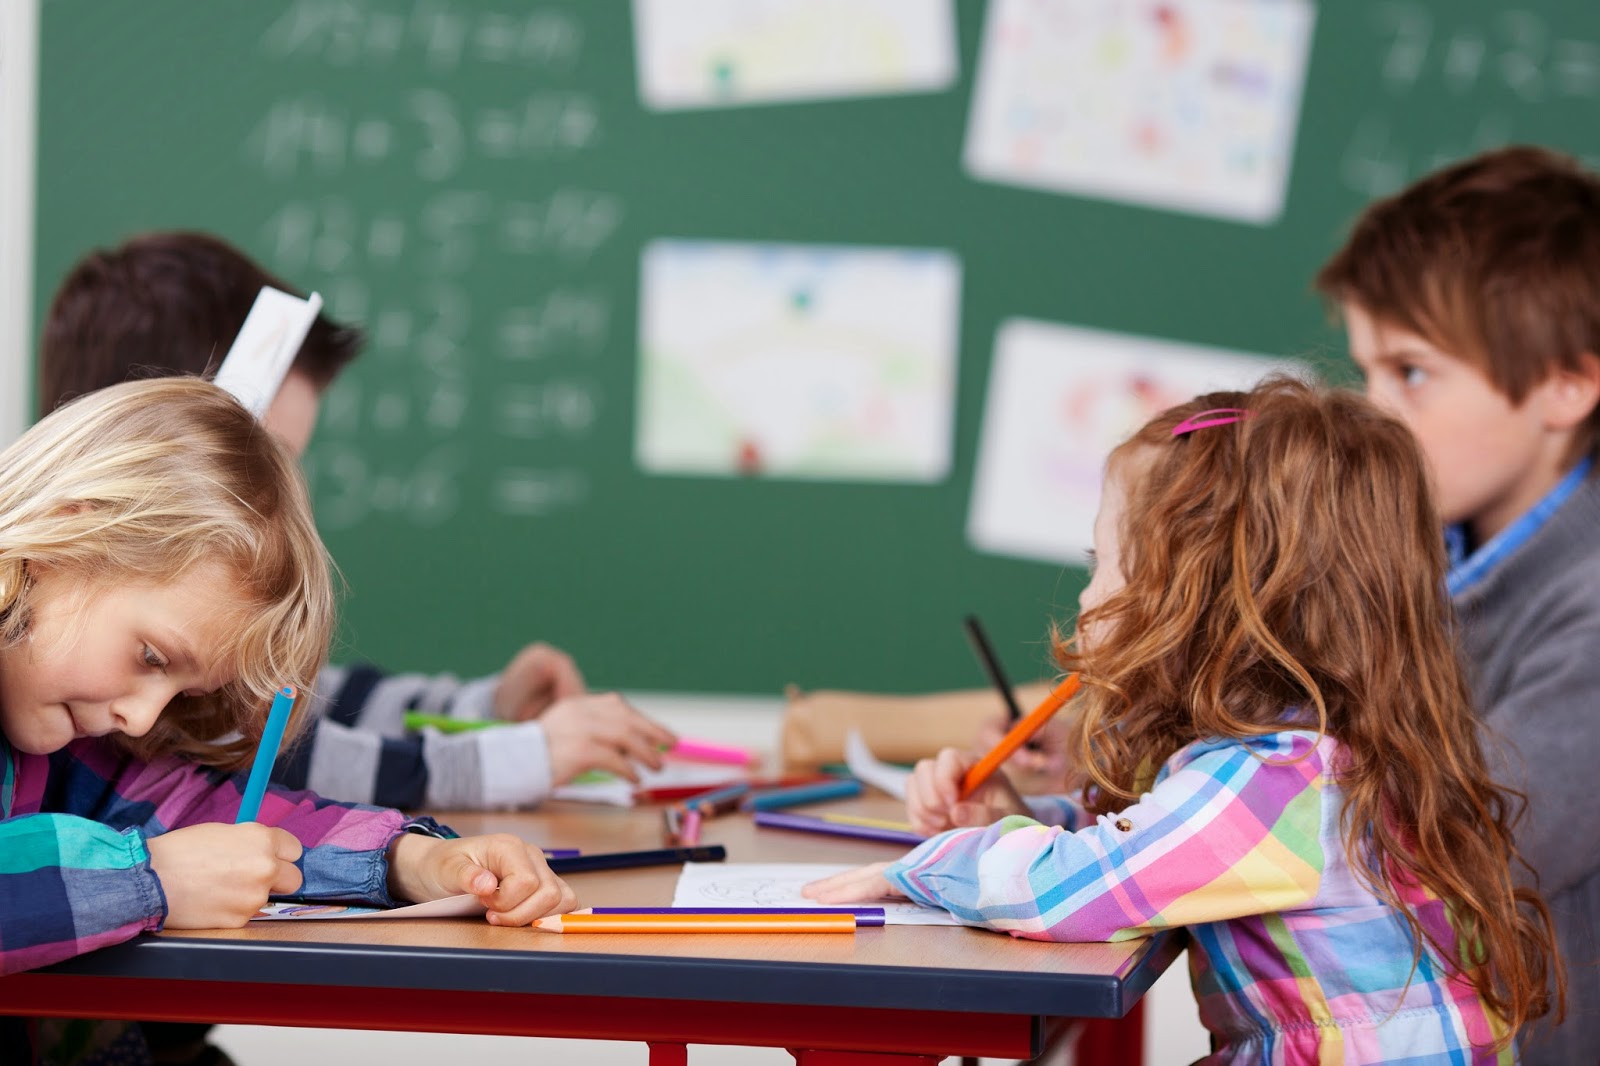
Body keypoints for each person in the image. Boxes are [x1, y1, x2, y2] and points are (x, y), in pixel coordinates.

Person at [806, 378, 1562, 1063]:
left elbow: (1072, 891)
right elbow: (1146, 838)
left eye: (1105, 561)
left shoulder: (1274, 779)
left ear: (1198, 598)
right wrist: (1010, 814)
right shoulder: (1316, 758)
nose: (1087, 596)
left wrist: (925, 869)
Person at [0, 378, 578, 1064]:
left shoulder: (64, 742)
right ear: (69, 531)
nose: (142, 714)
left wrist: (411, 861)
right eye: (151, 655)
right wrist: (151, 878)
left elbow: (193, 810)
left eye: (180, 690)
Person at [39, 231, 675, 814]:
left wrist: (480, 710)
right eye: (265, 458)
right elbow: (286, 760)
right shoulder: (78, 683)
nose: (285, 505)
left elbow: (298, 707)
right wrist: (514, 758)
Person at [1313, 145, 1600, 1065]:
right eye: (1369, 374)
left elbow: (1454, 855)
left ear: (1567, 383)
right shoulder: (1440, 555)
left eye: (1413, 373)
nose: (1376, 412)